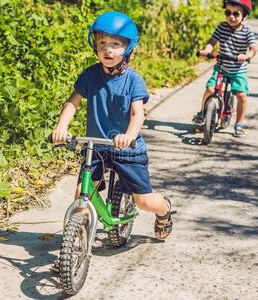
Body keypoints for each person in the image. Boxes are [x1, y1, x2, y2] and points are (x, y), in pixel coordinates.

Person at [51, 11, 175, 243]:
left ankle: (165, 210)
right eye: (102, 44)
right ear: (95, 46)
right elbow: (72, 103)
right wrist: (61, 128)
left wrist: (129, 135)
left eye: (116, 45)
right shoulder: (90, 75)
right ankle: (74, 246)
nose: (108, 50)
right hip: (96, 148)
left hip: (127, 149)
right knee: (81, 194)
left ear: (128, 48)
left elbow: (138, 113)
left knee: (144, 201)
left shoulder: (133, 80)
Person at [193, 0, 257, 137]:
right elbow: (212, 41)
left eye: (236, 14)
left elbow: (253, 49)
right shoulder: (222, 27)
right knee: (210, 89)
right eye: (228, 13)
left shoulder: (247, 32)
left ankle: (239, 124)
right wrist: (206, 50)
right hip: (221, 67)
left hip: (238, 69)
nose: (231, 17)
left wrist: (246, 55)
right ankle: (202, 112)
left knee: (242, 96)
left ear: (244, 16)